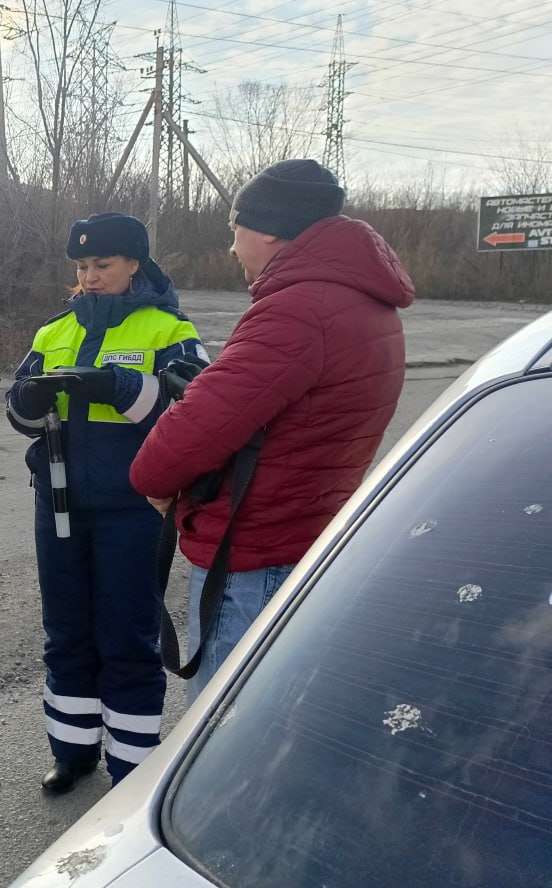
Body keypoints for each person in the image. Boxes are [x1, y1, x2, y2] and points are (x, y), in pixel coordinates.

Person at [130, 158, 416, 701]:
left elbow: (169, 452)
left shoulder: (297, 311)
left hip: (252, 564)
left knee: (224, 734)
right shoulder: (364, 302)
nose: (232, 247)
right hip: (307, 536)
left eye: (233, 231)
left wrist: (160, 482)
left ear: (266, 230)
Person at [5, 211, 207, 793]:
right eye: (82, 266)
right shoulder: (53, 331)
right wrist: (30, 396)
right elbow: (20, 418)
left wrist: (115, 387)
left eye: (103, 265)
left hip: (133, 508)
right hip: (60, 504)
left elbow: (192, 409)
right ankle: (72, 751)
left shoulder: (168, 330)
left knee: (127, 632)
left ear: (134, 265)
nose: (90, 277)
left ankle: (132, 770)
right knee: (66, 630)